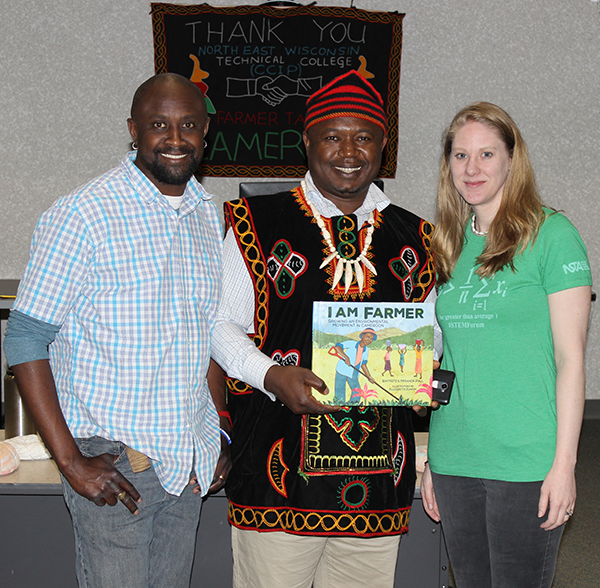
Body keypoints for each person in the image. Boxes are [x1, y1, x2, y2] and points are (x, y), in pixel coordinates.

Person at [211, 70, 438, 588]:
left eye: (364, 136)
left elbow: (433, 329)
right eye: (332, 136)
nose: (348, 151)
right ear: (307, 140)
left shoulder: (418, 236)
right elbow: (219, 325)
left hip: (377, 478)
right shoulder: (255, 223)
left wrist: (421, 367)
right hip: (276, 467)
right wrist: (270, 375)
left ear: (384, 144)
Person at [3, 73, 229, 588]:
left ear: (206, 132)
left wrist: (218, 431)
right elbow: (23, 338)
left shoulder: (206, 215)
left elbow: (206, 334)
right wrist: (72, 462)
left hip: (187, 465)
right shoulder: (83, 214)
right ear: (133, 130)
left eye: (188, 125)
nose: (175, 139)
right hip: (113, 467)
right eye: (158, 125)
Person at [421, 102, 592, 588]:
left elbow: (570, 361)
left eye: (487, 154)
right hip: (456, 459)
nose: (472, 169)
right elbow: (446, 360)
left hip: (527, 460)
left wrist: (565, 465)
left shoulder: (553, 236)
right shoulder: (446, 244)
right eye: (460, 156)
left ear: (512, 161)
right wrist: (434, 457)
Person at [333, 328, 377, 400]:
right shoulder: (352, 343)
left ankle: (353, 406)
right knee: (340, 393)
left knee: (357, 392)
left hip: (353, 372)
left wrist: (369, 376)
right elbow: (338, 346)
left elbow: (363, 364)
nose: (369, 340)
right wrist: (346, 357)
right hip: (342, 370)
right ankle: (340, 408)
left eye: (371, 339)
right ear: (362, 336)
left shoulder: (366, 350)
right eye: (368, 337)